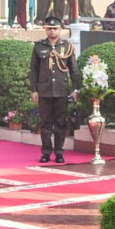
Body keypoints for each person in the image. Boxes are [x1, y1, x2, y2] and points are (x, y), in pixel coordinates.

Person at [30, 15, 80, 163]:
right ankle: (46, 152)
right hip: (44, 91)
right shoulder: (39, 47)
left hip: (61, 90)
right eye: (49, 28)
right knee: (45, 123)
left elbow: (74, 70)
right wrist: (34, 90)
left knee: (60, 123)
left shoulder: (67, 46)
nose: (52, 31)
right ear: (46, 29)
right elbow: (34, 70)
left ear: (61, 29)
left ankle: (59, 152)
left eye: (55, 28)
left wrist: (76, 89)